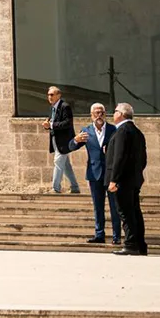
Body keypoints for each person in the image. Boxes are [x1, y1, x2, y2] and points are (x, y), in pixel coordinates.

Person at [66, 102, 119, 245]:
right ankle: (99, 234)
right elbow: (71, 147)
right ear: (91, 115)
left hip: (111, 174)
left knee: (115, 206)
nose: (99, 115)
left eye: (101, 112)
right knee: (98, 206)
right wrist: (75, 140)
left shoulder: (113, 130)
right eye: (96, 113)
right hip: (94, 173)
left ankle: (116, 236)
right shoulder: (87, 131)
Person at [105, 102, 148, 256]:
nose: (113, 113)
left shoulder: (122, 131)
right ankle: (140, 244)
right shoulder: (137, 132)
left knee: (125, 212)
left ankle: (130, 244)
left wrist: (114, 179)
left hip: (122, 180)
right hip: (133, 179)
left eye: (115, 111)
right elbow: (142, 159)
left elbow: (119, 156)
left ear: (121, 114)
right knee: (135, 212)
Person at [43, 86, 80, 194]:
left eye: (52, 94)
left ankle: (55, 188)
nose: (49, 97)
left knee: (58, 162)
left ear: (58, 95)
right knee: (66, 165)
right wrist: (47, 126)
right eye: (48, 94)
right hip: (55, 139)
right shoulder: (52, 107)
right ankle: (75, 187)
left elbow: (67, 123)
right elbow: (52, 123)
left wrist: (51, 125)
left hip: (64, 140)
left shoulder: (65, 106)